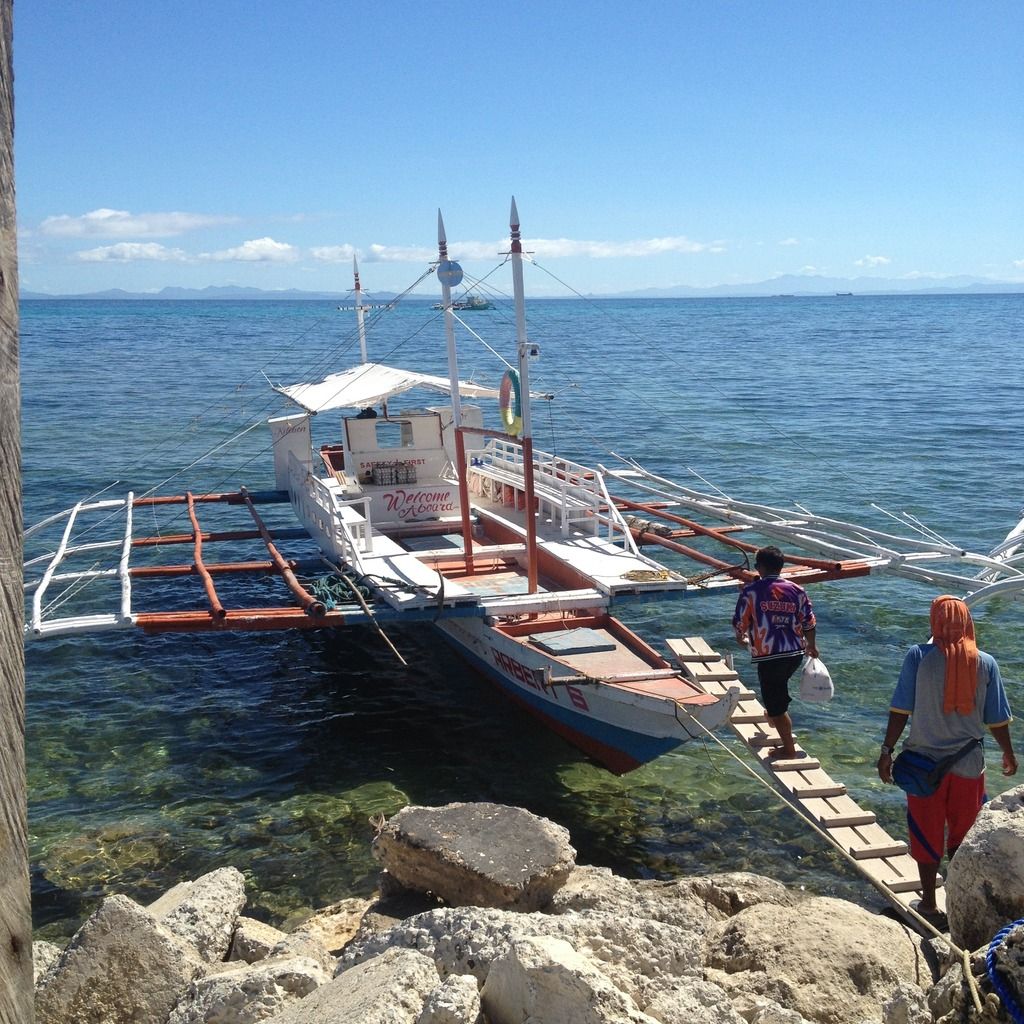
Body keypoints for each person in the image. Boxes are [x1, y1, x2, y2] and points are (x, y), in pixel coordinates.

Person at [878, 595, 1017, 922]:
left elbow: (901, 709)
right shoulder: (985, 662)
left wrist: (886, 751)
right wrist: (1008, 753)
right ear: (968, 622)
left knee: (925, 832)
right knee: (963, 834)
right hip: (969, 765)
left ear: (935, 622)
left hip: (922, 765)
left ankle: (928, 903)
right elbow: (996, 718)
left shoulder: (918, 657)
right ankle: (957, 901)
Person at [732, 545, 818, 760]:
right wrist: (812, 645)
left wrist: (740, 637)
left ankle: (789, 749)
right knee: (778, 690)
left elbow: (739, 621)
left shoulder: (751, 591)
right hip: (795, 653)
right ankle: (772, 713)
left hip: (770, 656)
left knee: (777, 706)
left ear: (759, 567)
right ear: (781, 566)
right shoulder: (797, 590)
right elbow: (809, 622)